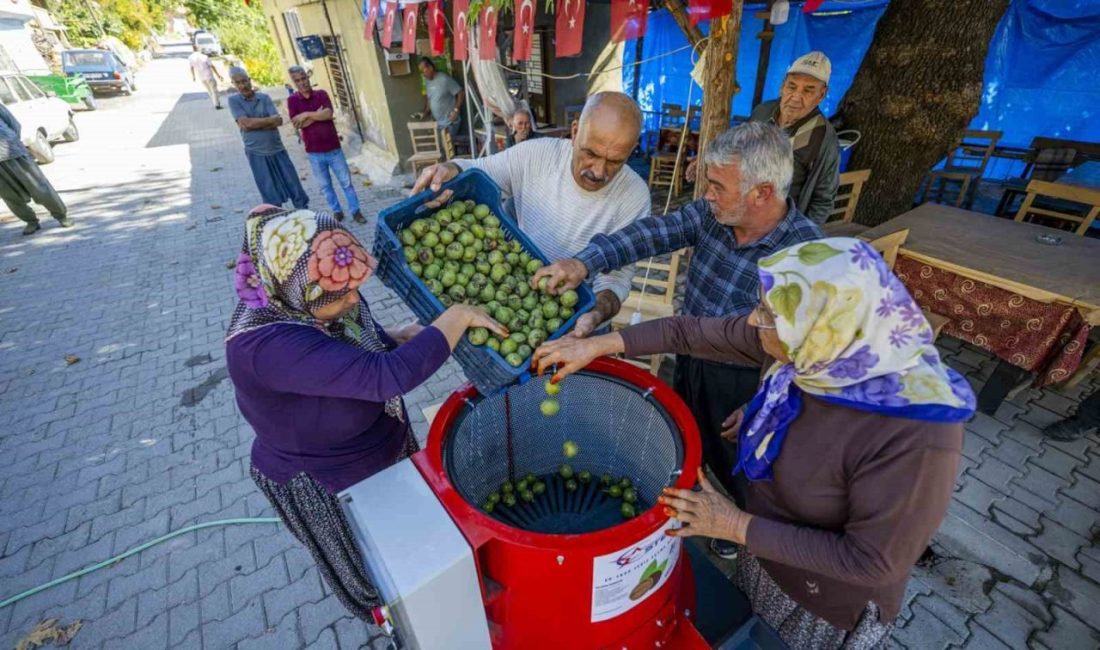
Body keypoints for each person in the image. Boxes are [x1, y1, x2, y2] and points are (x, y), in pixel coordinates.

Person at [532, 237, 976, 648]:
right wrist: (600, 345)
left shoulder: (918, 436)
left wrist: (733, 526)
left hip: (819, 600)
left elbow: (873, 562)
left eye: (766, 314)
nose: (751, 320)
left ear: (821, 327)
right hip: (765, 553)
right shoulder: (818, 351)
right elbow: (691, 333)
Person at [533, 123, 822, 556]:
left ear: (762, 193)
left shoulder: (804, 257)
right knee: (691, 440)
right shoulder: (713, 214)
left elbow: (811, 353)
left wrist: (767, 399)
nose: (707, 193)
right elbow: (651, 234)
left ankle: (735, 533)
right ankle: (695, 503)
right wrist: (584, 263)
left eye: (718, 186)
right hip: (688, 351)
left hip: (746, 377)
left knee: (740, 462)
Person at [227, 205, 505, 620]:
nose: (355, 298)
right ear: (298, 292)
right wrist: (456, 317)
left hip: (380, 448)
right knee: (381, 574)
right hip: (331, 478)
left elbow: (350, 342)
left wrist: (400, 335)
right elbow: (385, 377)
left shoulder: (310, 293)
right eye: (342, 296)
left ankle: (436, 601)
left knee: (415, 545)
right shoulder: (265, 348)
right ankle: (402, 625)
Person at [411, 91, 651, 337]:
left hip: (577, 322)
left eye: (615, 161)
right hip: (516, 293)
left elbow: (616, 279)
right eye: (590, 153)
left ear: (632, 150)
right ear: (575, 131)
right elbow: (481, 170)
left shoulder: (634, 196)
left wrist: (595, 314)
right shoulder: (535, 155)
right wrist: (449, 169)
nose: (599, 172)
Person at [686, 52, 839, 224]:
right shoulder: (763, 112)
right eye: (792, 86)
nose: (796, 97)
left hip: (777, 227)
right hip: (738, 211)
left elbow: (823, 200)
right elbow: (735, 148)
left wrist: (801, 238)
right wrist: (708, 160)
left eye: (808, 90)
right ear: (782, 86)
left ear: (822, 94)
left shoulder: (824, 137)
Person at [287, 66, 364, 224]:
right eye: (298, 80)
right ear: (294, 82)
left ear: (308, 77)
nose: (302, 82)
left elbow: (328, 114)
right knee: (325, 186)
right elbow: (297, 124)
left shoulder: (321, 94)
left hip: (334, 150)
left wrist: (307, 115)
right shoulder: (292, 100)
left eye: (304, 78)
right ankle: (336, 211)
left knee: (346, 183)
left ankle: (356, 211)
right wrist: (317, 115)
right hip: (314, 153)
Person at [228, 67, 309, 210]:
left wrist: (254, 124)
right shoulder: (233, 100)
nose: (242, 85)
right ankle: (276, 216)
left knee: (293, 182)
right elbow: (245, 124)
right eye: (238, 83)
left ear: (249, 80)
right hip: (256, 152)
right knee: (268, 188)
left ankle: (303, 211)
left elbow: (278, 121)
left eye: (244, 81)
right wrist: (266, 122)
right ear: (234, 84)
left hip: (277, 148)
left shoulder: (264, 98)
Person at [0, 104, 70, 235]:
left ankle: (61, 215)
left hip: (13, 152)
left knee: (39, 187)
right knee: (10, 196)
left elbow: (13, 124)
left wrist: (12, 141)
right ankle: (31, 221)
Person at [415, 58, 464, 141]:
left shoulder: (444, 79)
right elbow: (429, 99)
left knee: (449, 150)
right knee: (444, 150)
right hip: (439, 123)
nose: (423, 74)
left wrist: (456, 110)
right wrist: (425, 112)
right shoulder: (428, 82)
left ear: (430, 67)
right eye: (421, 72)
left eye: (424, 70)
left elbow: (460, 92)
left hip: (450, 123)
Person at [188, 43, 223, 110]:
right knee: (214, 90)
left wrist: (193, 76)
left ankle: (215, 102)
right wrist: (218, 75)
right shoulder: (204, 57)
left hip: (201, 77)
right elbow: (212, 66)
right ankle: (217, 104)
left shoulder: (191, 58)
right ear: (198, 49)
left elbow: (191, 68)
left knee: (209, 91)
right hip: (209, 76)